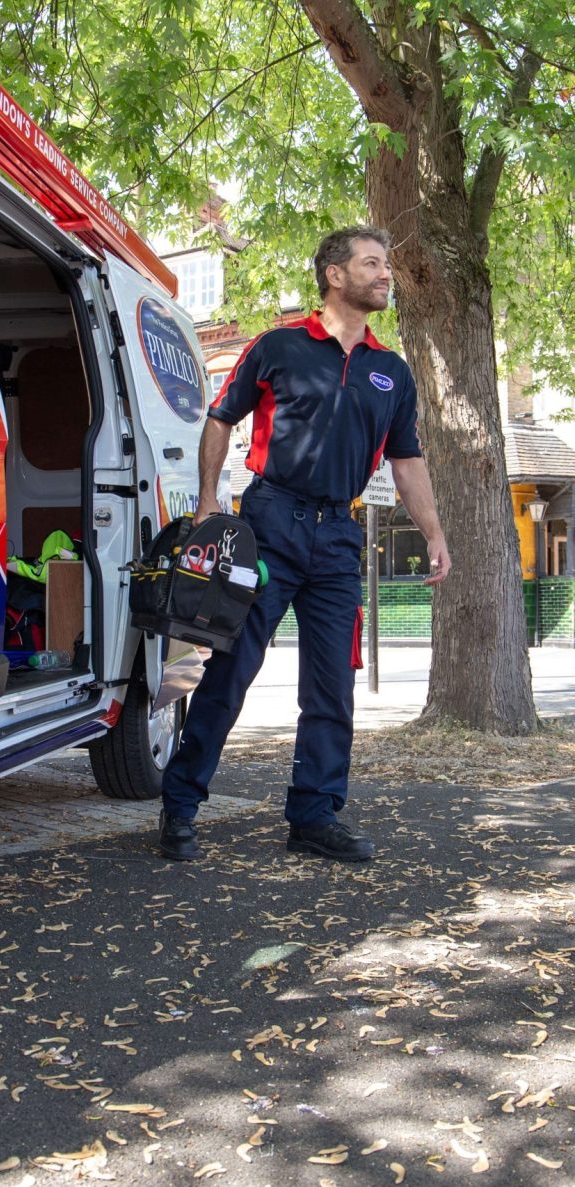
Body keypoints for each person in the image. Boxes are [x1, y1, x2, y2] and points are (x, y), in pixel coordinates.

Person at [158, 225, 451, 864]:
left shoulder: (390, 371)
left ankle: (314, 816)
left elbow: (407, 460)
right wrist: (210, 499)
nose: (385, 274)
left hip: (340, 538)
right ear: (335, 275)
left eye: (386, 264)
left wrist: (432, 532)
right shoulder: (278, 347)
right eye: (372, 263)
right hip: (269, 522)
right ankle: (180, 804)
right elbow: (221, 416)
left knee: (331, 687)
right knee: (232, 669)